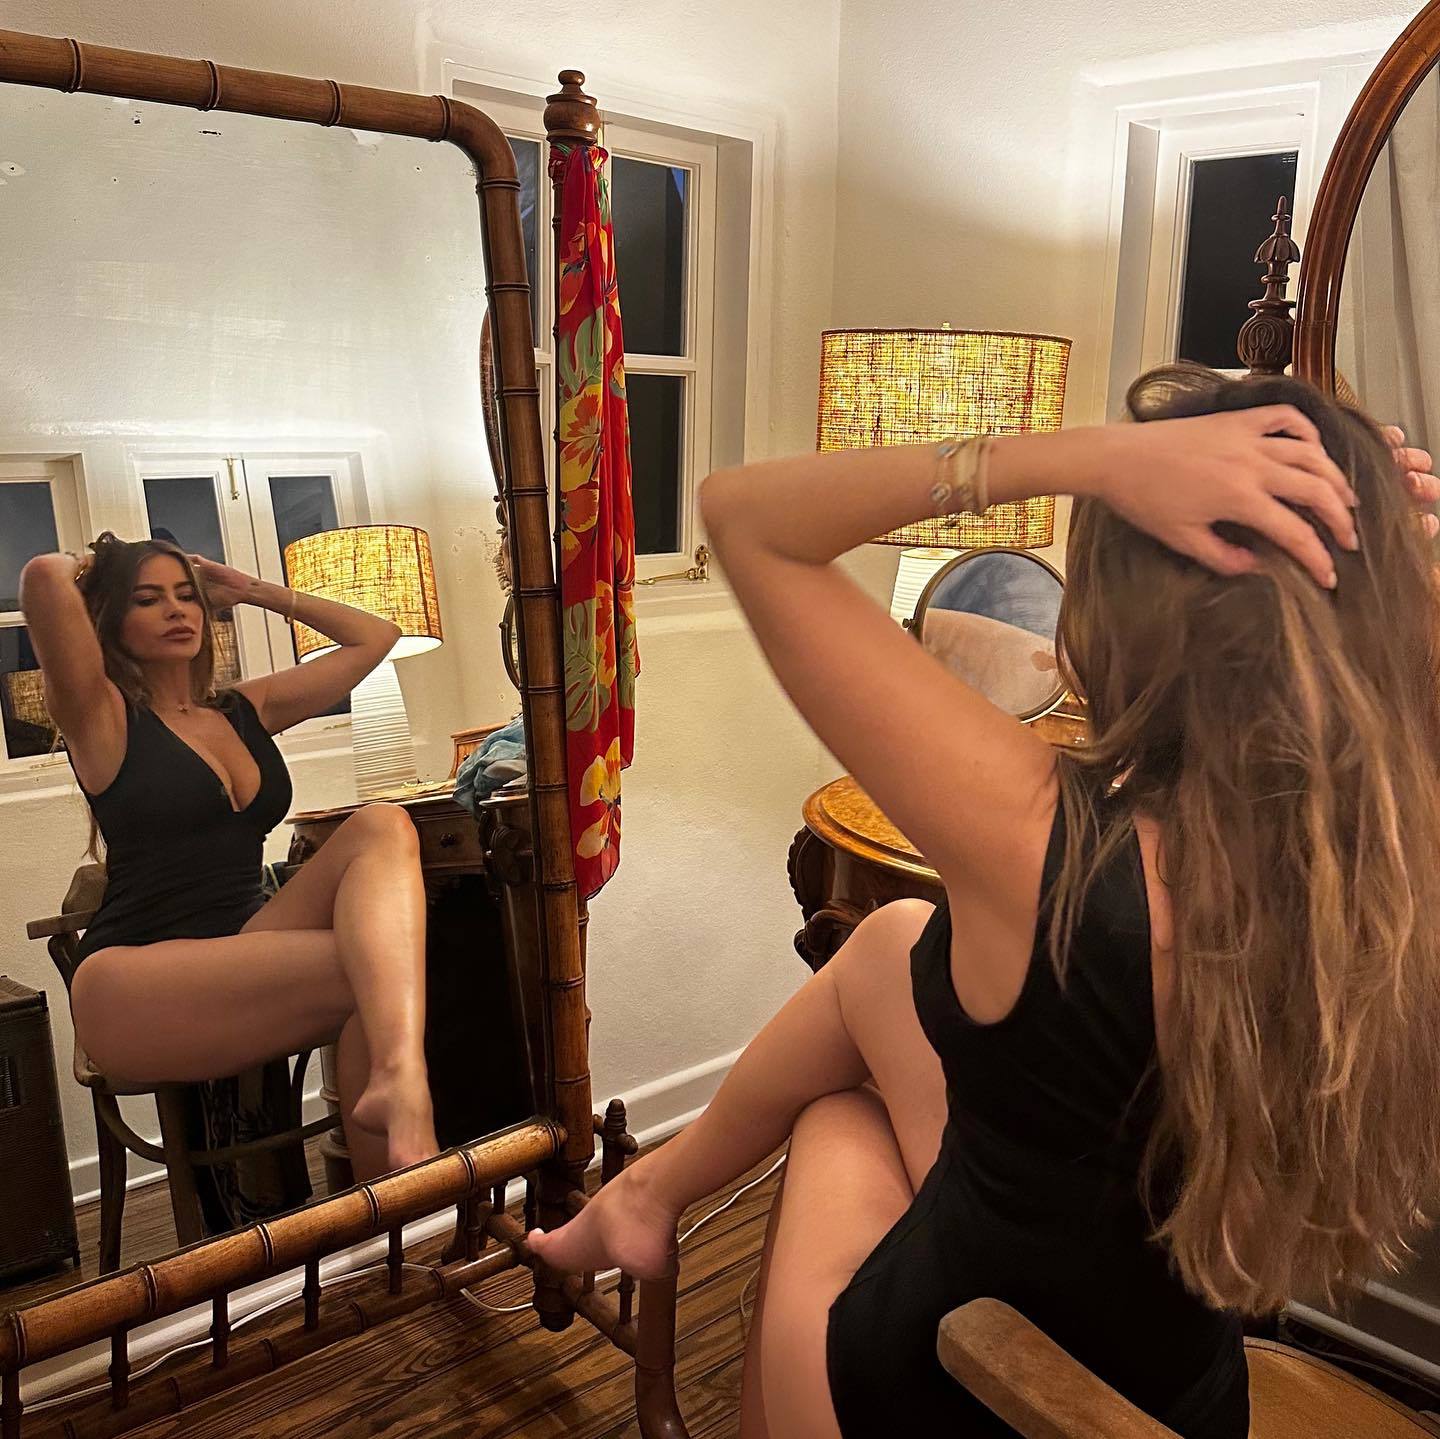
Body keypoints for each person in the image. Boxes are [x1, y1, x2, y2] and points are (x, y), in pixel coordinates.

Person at [527, 366, 1440, 1439]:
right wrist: (1391, 572)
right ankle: (646, 1196)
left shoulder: (1046, 840)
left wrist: (1091, 457)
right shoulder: (1398, 856)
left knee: (836, 1118)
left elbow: (746, 514)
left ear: (1117, 608)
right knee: (891, 942)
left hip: (975, 1388)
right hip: (1180, 1399)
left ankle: (660, 1222)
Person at [18, 534, 438, 1178]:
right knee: (381, 972)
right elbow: (43, 576)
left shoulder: (242, 710)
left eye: (185, 596)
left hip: (245, 939)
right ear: (112, 618)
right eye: (148, 599)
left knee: (383, 824)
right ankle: (407, 1170)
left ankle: (399, 1109)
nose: (176, 610)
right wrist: (100, 563)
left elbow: (376, 637)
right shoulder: (101, 717)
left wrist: (252, 590)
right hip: (132, 977)